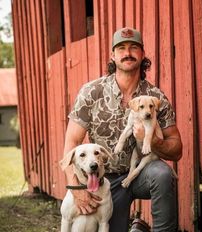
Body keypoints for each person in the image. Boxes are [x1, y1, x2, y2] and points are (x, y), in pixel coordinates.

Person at [62, 27, 182, 231]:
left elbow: (176, 148)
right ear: (113, 55)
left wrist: (152, 140)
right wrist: (75, 187)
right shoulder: (92, 92)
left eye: (134, 47)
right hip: (104, 181)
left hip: (141, 172)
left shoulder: (155, 97)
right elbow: (71, 143)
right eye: (121, 48)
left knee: (162, 174)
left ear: (142, 54)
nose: (127, 53)